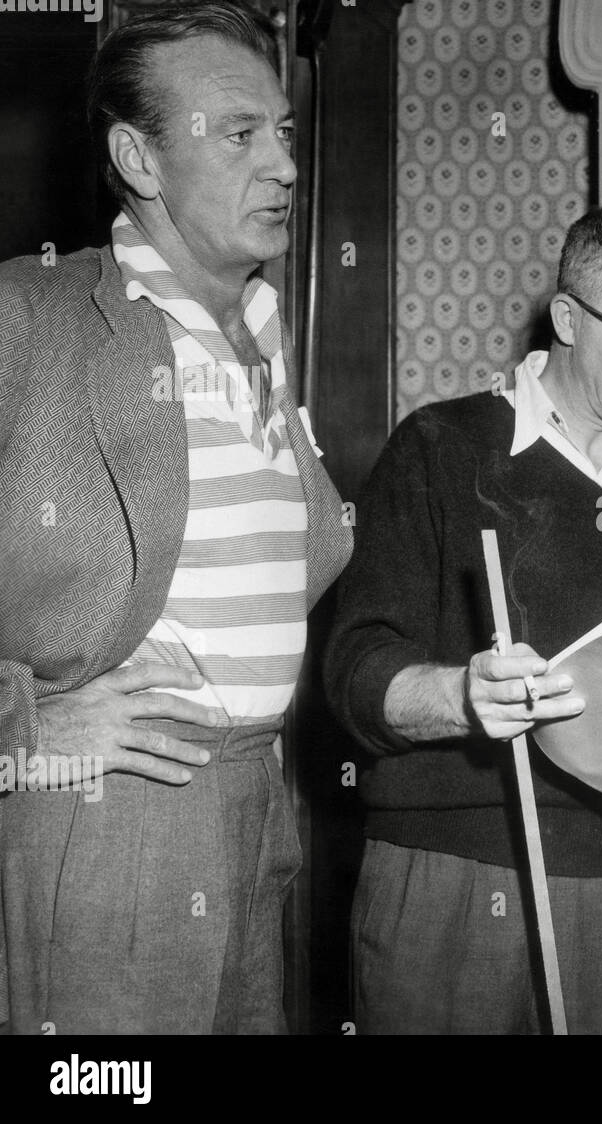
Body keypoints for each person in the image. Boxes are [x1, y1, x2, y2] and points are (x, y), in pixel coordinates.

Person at [0, 1, 352, 1033]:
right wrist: (23, 730)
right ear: (139, 160)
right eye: (239, 133)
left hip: (254, 808)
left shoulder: (258, 329)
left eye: (282, 131)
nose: (284, 164)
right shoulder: (32, 316)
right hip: (111, 817)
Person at [324, 204, 602, 1034]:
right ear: (569, 319)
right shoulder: (439, 448)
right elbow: (353, 667)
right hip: (452, 878)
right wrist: (458, 696)